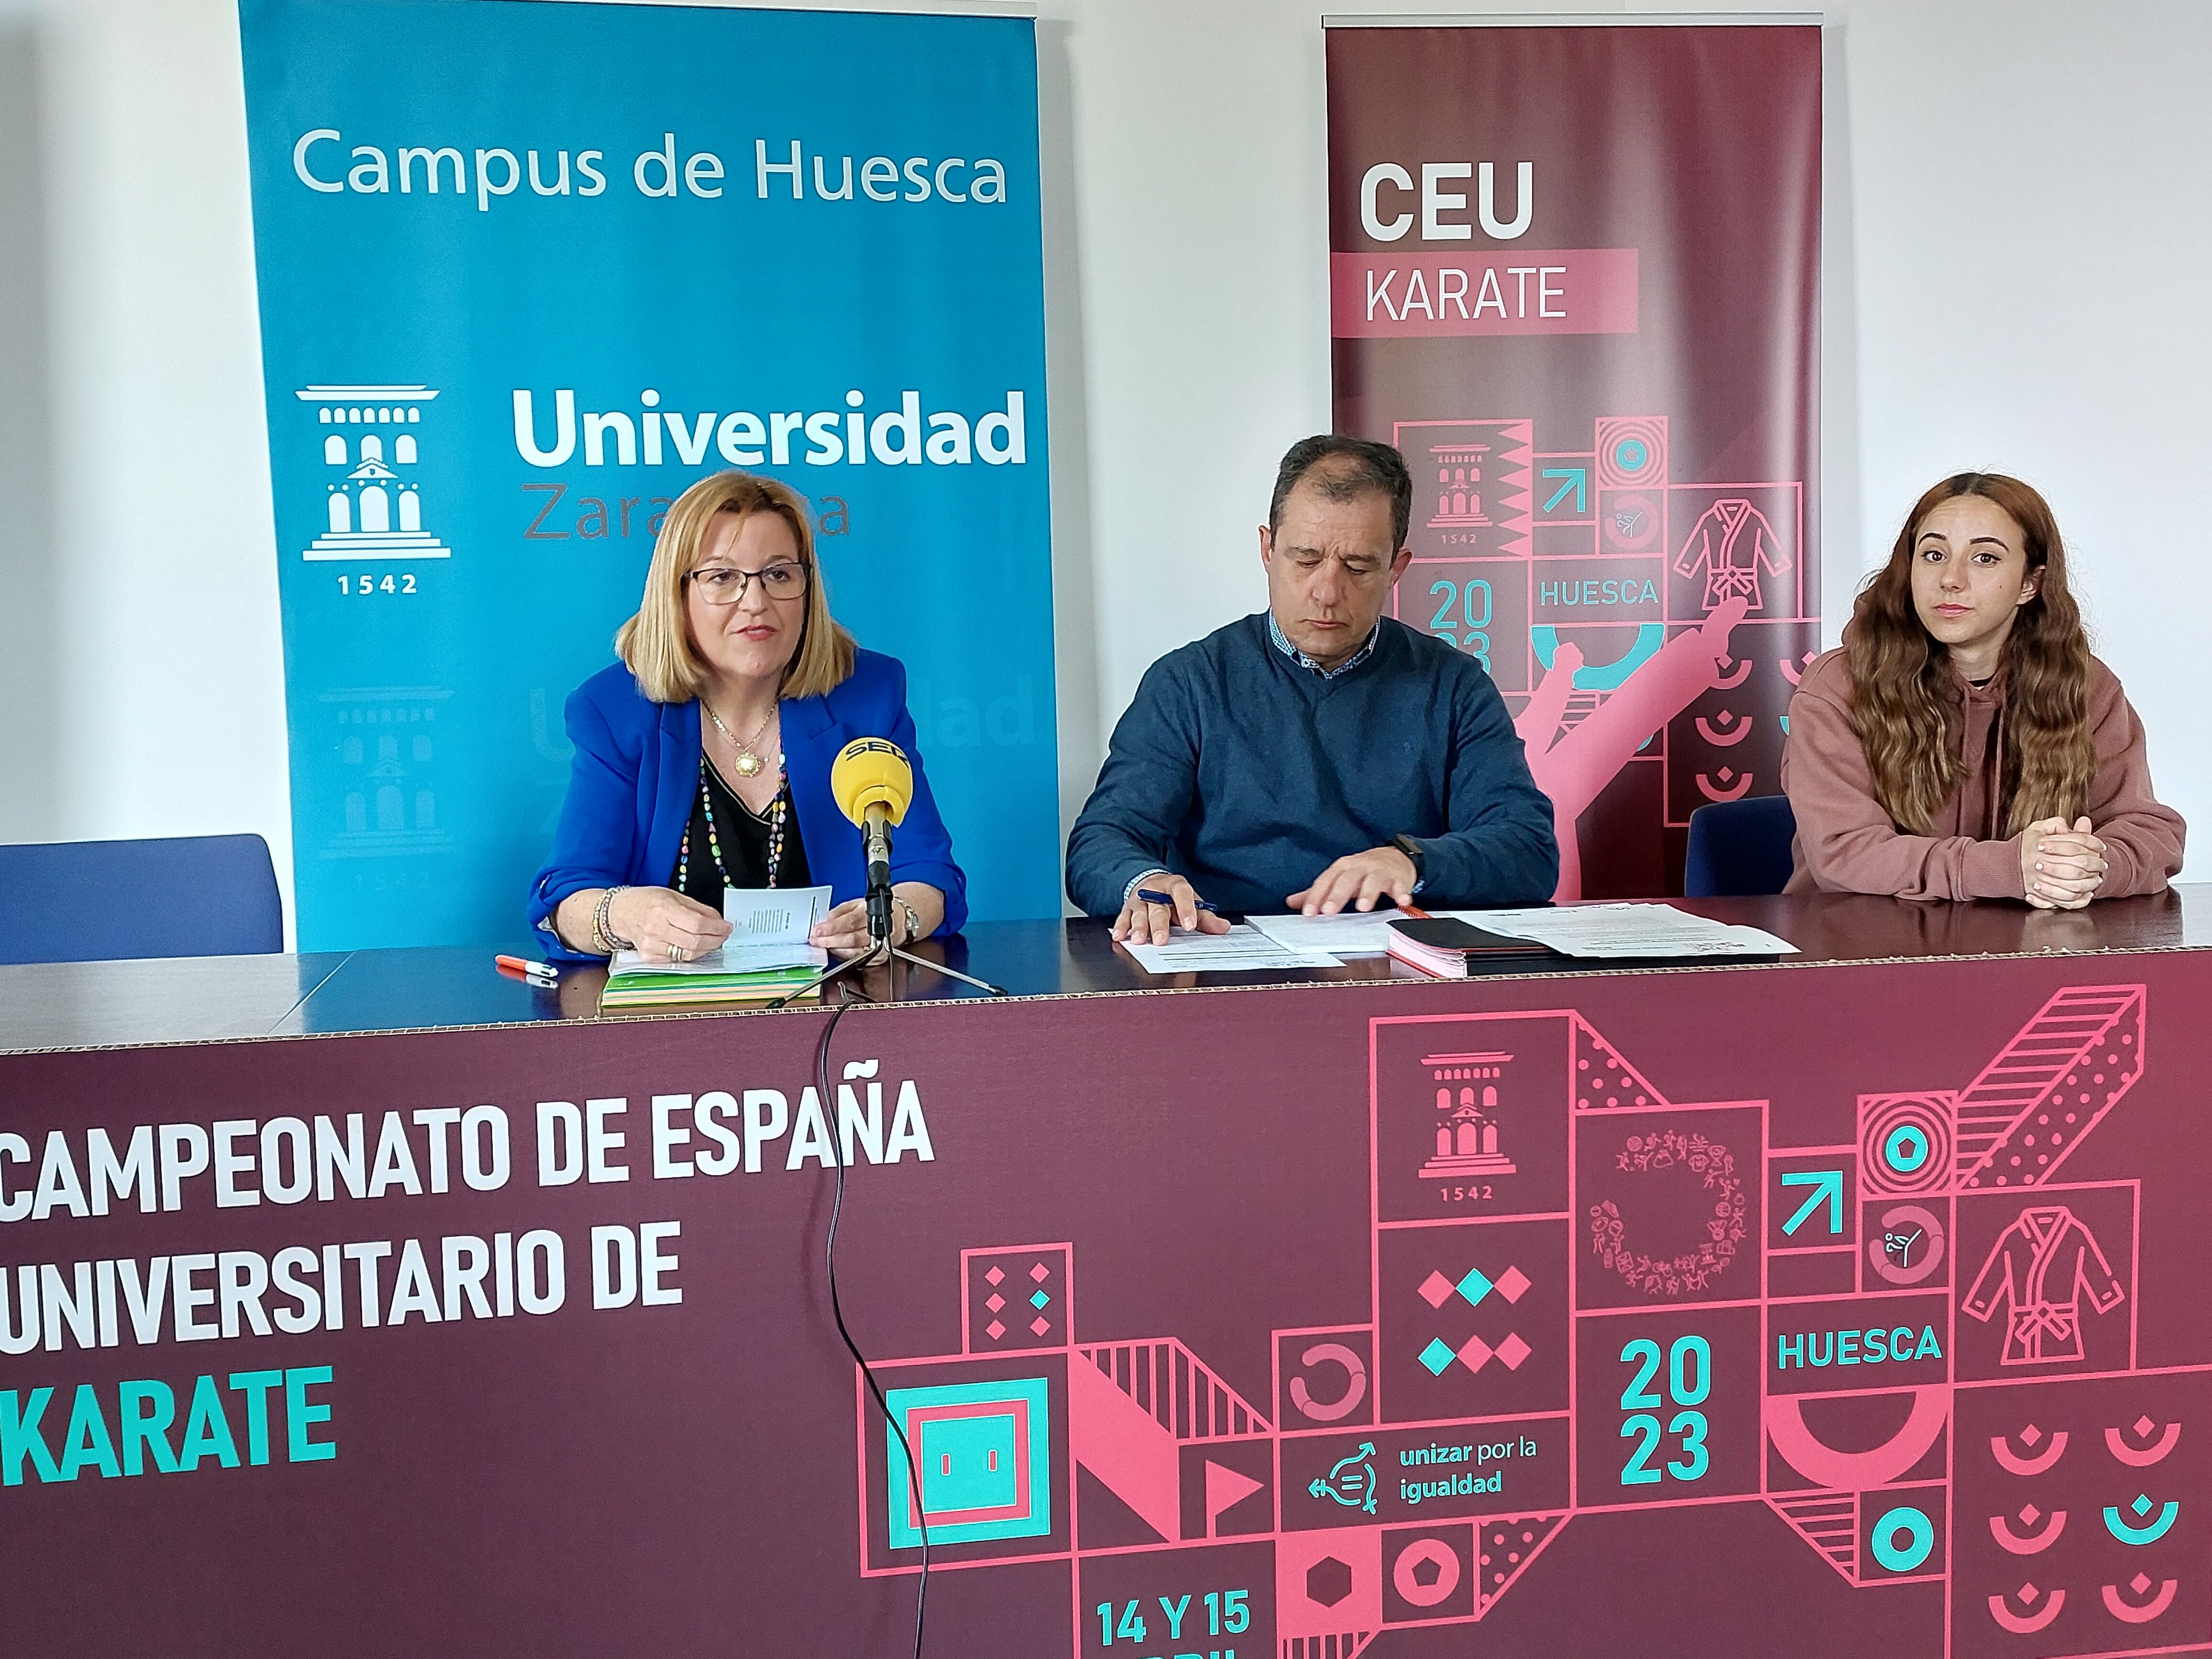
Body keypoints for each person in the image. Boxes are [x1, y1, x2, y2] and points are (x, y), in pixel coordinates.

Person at [1065, 434, 1559, 943]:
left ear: (1396, 568)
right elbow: (1101, 842)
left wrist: (1413, 861)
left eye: (1358, 566)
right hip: (1227, 962)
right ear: (1267, 548)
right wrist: (1145, 882)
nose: (1326, 591)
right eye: (1305, 559)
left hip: (1400, 973)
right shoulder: (1188, 683)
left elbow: (1528, 850)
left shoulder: (1453, 686)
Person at [529, 470, 966, 962]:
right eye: (722, 578)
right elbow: (567, 899)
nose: (755, 604)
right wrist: (625, 915)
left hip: (842, 1008)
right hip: (673, 1024)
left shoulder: (866, 696)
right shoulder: (616, 711)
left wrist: (897, 918)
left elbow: (929, 875)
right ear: (678, 594)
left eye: (779, 574)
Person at [1781, 472, 2183, 906]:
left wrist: (2090, 867)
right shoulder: (1838, 687)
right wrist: (2009, 869)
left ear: (2030, 584)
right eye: (1934, 555)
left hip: (2024, 952)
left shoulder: (2086, 686)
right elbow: (1843, 852)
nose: (1951, 579)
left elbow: (2149, 831)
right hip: (1862, 950)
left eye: (1985, 559)